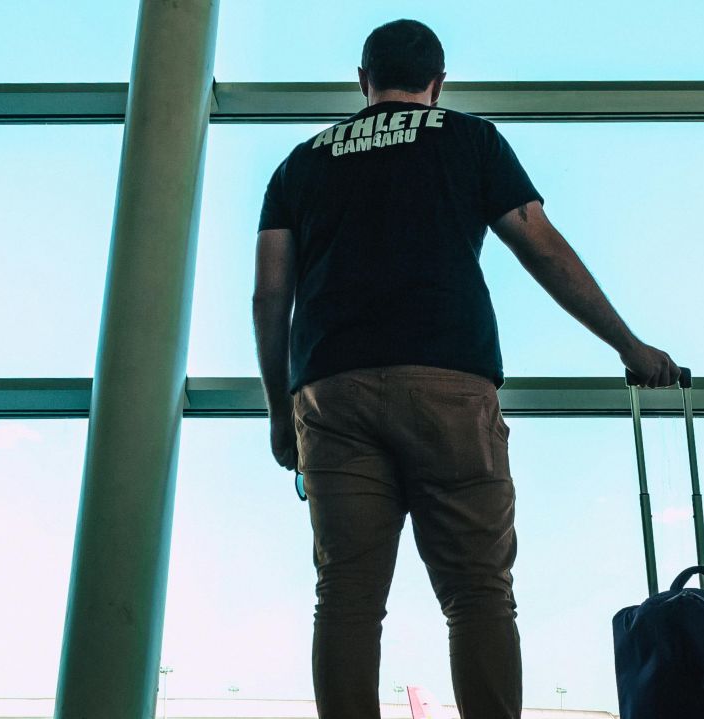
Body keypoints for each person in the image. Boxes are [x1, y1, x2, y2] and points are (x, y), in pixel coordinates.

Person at [250, 18, 682, 719]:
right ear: (438, 82)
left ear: (363, 82)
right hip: (448, 383)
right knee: (477, 593)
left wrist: (279, 411)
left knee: (347, 602)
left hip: (333, 393)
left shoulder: (301, 163)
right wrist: (627, 345)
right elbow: (540, 248)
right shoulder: (469, 138)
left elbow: (271, 293)